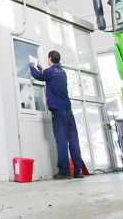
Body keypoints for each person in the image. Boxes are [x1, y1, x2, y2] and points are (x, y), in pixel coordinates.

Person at [29, 50, 89, 179]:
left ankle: (64, 172)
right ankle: (78, 171)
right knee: (73, 140)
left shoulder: (50, 72)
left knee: (61, 141)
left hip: (58, 111)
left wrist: (32, 67)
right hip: (68, 110)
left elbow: (38, 76)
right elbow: (48, 75)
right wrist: (42, 69)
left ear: (49, 58)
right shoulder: (62, 72)